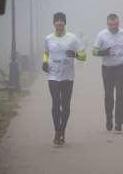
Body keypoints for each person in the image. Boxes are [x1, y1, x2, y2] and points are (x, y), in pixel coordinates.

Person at [42, 12, 86, 145]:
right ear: (54, 23)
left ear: (65, 23)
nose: (59, 22)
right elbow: (46, 52)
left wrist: (75, 55)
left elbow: (84, 56)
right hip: (53, 76)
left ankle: (62, 131)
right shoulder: (48, 38)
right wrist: (44, 62)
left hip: (67, 77)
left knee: (65, 106)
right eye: (57, 20)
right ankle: (57, 131)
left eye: (62, 20)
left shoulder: (72, 38)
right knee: (56, 103)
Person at [92, 14, 123, 133]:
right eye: (111, 25)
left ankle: (119, 122)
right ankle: (109, 119)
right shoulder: (102, 35)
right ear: (107, 24)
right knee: (109, 95)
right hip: (107, 69)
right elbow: (94, 51)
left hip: (121, 67)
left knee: (120, 94)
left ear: (119, 23)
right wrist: (105, 52)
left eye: (116, 24)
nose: (114, 27)